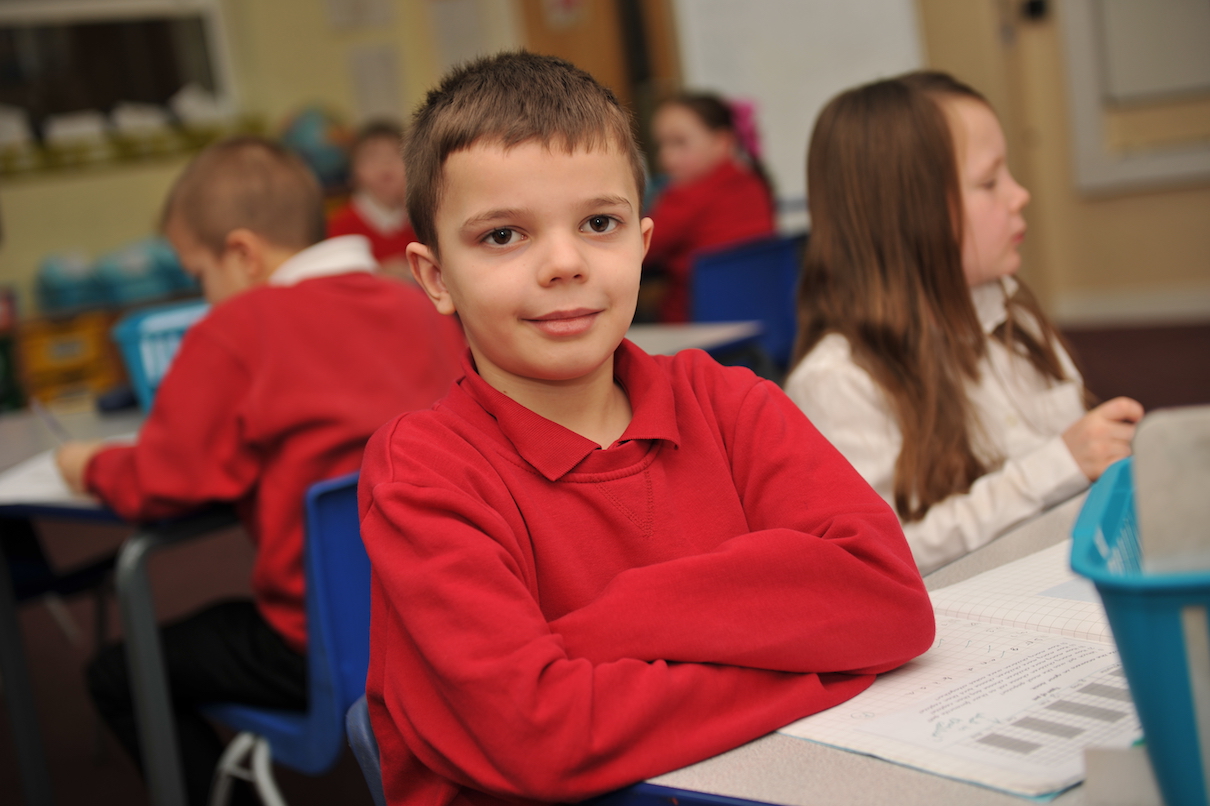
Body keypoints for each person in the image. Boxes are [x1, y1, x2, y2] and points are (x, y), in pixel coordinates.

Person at [360, 51, 935, 806]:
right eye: (503, 236)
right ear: (436, 278)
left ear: (642, 240)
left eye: (600, 223)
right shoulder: (424, 471)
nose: (564, 263)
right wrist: (815, 659)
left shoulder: (730, 402)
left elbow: (889, 601)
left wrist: (592, 634)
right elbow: (543, 734)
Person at [54, 136, 465, 806]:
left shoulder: (239, 327)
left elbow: (162, 481)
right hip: (447, 616)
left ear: (242, 254)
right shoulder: (417, 301)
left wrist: (90, 463)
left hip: (323, 641)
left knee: (119, 672)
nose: (203, 293)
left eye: (199, 274)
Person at [784, 72, 1143, 575]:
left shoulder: (1013, 315)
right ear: (909, 214)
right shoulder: (835, 383)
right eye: (989, 182)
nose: (1020, 195)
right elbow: (887, 554)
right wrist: (1058, 465)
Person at [642, 93, 776, 322]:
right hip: (760, 322)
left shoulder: (686, 197)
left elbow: (637, 248)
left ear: (722, 143)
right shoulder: (754, 184)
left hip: (695, 326)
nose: (666, 158)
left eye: (679, 143)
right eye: (661, 145)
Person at [328, 119, 417, 280]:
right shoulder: (340, 227)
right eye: (372, 156)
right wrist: (377, 272)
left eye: (396, 154)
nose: (385, 163)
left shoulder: (419, 219)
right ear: (353, 171)